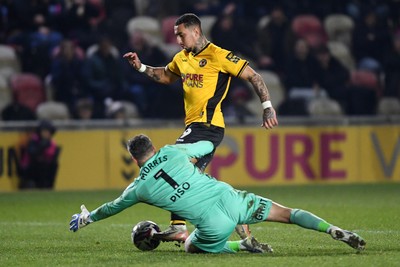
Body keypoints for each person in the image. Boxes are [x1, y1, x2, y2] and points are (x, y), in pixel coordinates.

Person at [123, 13, 278, 243]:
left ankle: (178, 227)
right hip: (196, 127)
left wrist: (267, 107)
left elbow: (254, 76)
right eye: (176, 36)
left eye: (181, 35)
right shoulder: (182, 58)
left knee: (172, 165)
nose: (178, 40)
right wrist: (141, 67)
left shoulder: (218, 55)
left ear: (196, 31)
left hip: (208, 126)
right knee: (192, 178)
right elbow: (165, 76)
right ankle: (242, 228)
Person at [69, 134, 366, 254]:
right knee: (288, 214)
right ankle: (332, 229)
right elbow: (207, 147)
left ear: (135, 159)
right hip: (229, 196)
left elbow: (112, 207)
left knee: (189, 248)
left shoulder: (138, 188)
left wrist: (87, 218)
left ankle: (241, 247)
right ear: (154, 149)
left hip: (213, 223)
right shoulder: (174, 151)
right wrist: (192, 160)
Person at [19, 120, 60, 189]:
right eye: (44, 131)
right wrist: (41, 147)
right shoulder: (34, 141)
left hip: (46, 168)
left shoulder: (52, 143)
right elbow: (31, 154)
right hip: (31, 167)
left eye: (48, 132)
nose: (46, 134)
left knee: (54, 165)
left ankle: (49, 186)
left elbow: (53, 157)